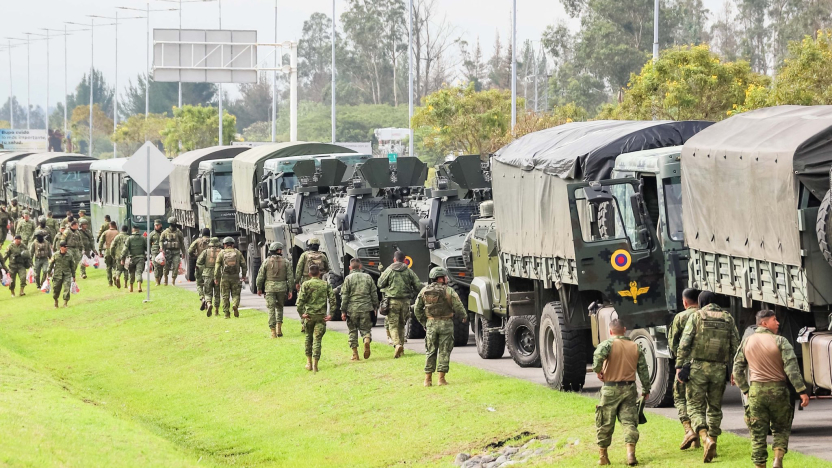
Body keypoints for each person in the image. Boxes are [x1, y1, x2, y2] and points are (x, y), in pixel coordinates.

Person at [734, 310, 810, 468]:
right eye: (774, 320)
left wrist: (746, 390)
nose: (778, 323)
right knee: (781, 428)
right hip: (779, 392)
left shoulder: (747, 342)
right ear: (764, 323)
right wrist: (801, 391)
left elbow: (737, 370)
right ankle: (777, 459)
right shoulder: (781, 341)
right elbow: (792, 370)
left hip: (756, 392)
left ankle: (760, 464)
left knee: (757, 433)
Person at [675, 291, 740, 463]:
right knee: (715, 408)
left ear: (701, 302)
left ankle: (705, 438)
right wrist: (735, 370)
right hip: (719, 369)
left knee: (695, 407)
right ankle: (714, 443)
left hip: (698, 368)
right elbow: (736, 347)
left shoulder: (696, 316)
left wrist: (679, 366)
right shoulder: (728, 318)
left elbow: (684, 343)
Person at [592, 318, 652, 466]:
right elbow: (643, 370)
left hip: (610, 389)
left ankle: (603, 456)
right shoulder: (635, 346)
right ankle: (630, 454)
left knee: (605, 422)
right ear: (624, 330)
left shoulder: (607, 344)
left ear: (610, 331)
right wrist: (646, 389)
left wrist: (598, 371)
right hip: (629, 389)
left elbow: (597, 357)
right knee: (629, 421)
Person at [413, 267, 466, 385]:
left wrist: (424, 322)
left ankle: (427, 380)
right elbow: (458, 306)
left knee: (430, 351)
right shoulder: (449, 291)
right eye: (445, 276)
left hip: (431, 324)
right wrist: (463, 316)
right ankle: (441, 379)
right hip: (446, 324)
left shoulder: (424, 291)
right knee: (444, 351)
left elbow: (417, 309)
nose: (447, 278)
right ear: (440, 278)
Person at [669, 288, 701, 450]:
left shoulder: (680, 317)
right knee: (699, 402)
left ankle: (688, 430)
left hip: (685, 366)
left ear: (684, 302)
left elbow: (673, 342)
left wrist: (679, 361)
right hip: (703, 365)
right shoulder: (704, 316)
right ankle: (698, 438)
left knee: (680, 397)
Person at [377, 250, 422, 358]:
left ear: (394, 259)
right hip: (406, 302)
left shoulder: (389, 270)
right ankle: (401, 350)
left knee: (393, 325)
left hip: (392, 302)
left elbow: (380, 283)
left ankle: (397, 344)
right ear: (404, 260)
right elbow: (418, 285)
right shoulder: (409, 271)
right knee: (402, 325)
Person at [296, 264, 335, 373]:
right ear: (319, 273)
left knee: (308, 338)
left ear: (309, 274)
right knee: (317, 340)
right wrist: (331, 314)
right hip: (321, 317)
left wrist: (301, 314)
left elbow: (300, 302)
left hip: (309, 316)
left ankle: (308, 362)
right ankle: (315, 364)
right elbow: (332, 299)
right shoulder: (325, 284)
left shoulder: (305, 284)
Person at [340, 259, 378, 360]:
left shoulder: (348, 278)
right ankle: (366, 339)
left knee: (352, 331)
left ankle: (355, 354)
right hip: (366, 308)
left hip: (352, 310)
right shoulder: (368, 277)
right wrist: (375, 306)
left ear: (350, 268)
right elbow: (374, 293)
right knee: (366, 329)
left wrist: (343, 311)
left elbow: (345, 296)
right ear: (360, 266)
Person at [256, 242, 294, 338]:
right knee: (280, 308)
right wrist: (290, 290)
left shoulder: (266, 261)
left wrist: (259, 288)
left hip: (270, 288)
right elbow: (290, 277)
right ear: (280, 250)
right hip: (282, 288)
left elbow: (260, 276)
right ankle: (279, 329)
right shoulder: (286, 262)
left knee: (271, 309)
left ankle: (273, 331)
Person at [214, 237, 246, 318]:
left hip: (225, 278)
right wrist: (243, 275)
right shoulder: (237, 253)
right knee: (236, 294)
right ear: (233, 244)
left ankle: (226, 314)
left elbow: (217, 267)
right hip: (235, 277)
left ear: (224, 245)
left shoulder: (221, 253)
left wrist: (216, 278)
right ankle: (235, 305)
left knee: (225, 296)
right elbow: (244, 265)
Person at [196, 237, 222, 317]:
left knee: (207, 292)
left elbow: (199, 262)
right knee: (217, 293)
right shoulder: (221, 252)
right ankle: (216, 311)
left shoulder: (206, 252)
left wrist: (203, 270)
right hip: (218, 275)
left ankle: (209, 303)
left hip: (207, 275)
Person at [48, 241, 76, 308]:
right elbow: (51, 265)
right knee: (56, 289)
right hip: (57, 275)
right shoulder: (55, 255)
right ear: (61, 247)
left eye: (66, 247)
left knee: (67, 288)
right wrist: (48, 273)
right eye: (65, 247)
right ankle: (56, 301)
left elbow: (72, 266)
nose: (66, 248)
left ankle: (65, 303)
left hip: (67, 274)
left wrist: (73, 275)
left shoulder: (69, 255)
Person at [188, 227, 212, 307]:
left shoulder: (198, 241)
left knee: (199, 283)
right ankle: (209, 301)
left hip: (200, 265)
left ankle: (202, 297)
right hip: (210, 266)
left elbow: (190, 250)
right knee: (208, 284)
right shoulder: (212, 241)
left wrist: (194, 256)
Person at [120, 225, 147, 293]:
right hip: (140, 258)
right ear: (138, 230)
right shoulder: (143, 238)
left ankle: (131, 288)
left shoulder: (129, 238)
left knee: (131, 273)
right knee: (139, 272)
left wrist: (122, 258)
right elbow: (147, 248)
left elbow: (125, 249)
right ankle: (139, 286)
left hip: (131, 258)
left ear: (133, 230)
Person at [160, 217, 186, 285]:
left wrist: (183, 252)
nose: (172, 225)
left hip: (176, 252)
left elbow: (182, 243)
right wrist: (161, 248)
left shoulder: (179, 232)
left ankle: (173, 281)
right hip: (167, 252)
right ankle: (165, 280)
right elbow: (161, 240)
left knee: (176, 266)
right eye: (171, 223)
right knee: (166, 267)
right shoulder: (165, 232)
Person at [98, 221, 120, 287]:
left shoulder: (105, 232)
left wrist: (100, 251)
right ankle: (115, 275)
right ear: (115, 225)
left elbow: (101, 242)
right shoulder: (118, 233)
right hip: (115, 251)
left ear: (109, 226)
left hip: (107, 250)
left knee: (108, 267)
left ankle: (110, 282)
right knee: (115, 266)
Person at [109, 225, 130, 290]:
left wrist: (112, 254)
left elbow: (112, 246)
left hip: (118, 255)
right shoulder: (128, 237)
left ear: (121, 229)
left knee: (118, 269)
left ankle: (117, 276)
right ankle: (125, 284)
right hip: (126, 256)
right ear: (127, 230)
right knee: (126, 269)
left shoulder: (117, 237)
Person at [149, 219, 164, 285]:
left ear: (161, 225)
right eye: (155, 225)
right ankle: (157, 281)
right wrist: (149, 252)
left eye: (158, 225)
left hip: (162, 252)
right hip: (155, 252)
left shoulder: (164, 233)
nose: (157, 226)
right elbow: (148, 244)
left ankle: (159, 279)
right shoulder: (152, 234)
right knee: (156, 266)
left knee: (161, 267)